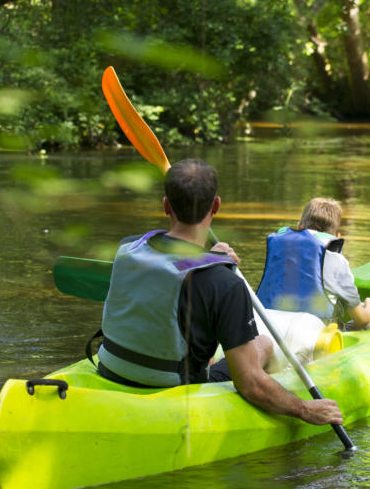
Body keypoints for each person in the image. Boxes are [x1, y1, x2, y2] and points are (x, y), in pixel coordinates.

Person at [96, 158, 342, 427]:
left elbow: (167, 267)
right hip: (175, 387)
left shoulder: (128, 248)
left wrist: (206, 258)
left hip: (111, 369)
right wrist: (305, 409)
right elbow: (250, 385)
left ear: (166, 205)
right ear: (216, 206)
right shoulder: (224, 283)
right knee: (263, 344)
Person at [255, 197, 370, 330]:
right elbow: (361, 319)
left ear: (299, 226)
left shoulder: (278, 249)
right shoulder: (337, 260)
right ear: (337, 236)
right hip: (313, 337)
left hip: (268, 327)